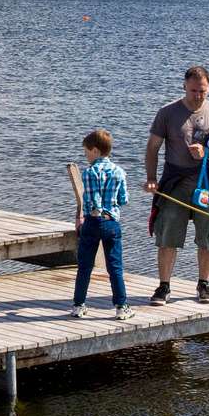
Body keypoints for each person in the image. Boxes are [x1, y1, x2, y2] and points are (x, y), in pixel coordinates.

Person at [144, 65, 209, 305]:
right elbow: (153, 147)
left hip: (208, 184)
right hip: (175, 182)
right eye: (194, 90)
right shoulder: (167, 113)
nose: (198, 95)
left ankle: (203, 284)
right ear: (184, 86)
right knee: (167, 235)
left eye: (203, 91)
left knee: (208, 236)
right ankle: (164, 287)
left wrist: (207, 152)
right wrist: (152, 178)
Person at [71, 128, 134, 320]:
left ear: (96, 150)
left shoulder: (89, 173)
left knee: (85, 266)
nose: (86, 155)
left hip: (93, 222)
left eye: (86, 152)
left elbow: (90, 200)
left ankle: (79, 305)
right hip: (112, 223)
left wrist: (90, 212)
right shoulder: (119, 172)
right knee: (115, 266)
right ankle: (121, 307)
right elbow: (124, 200)